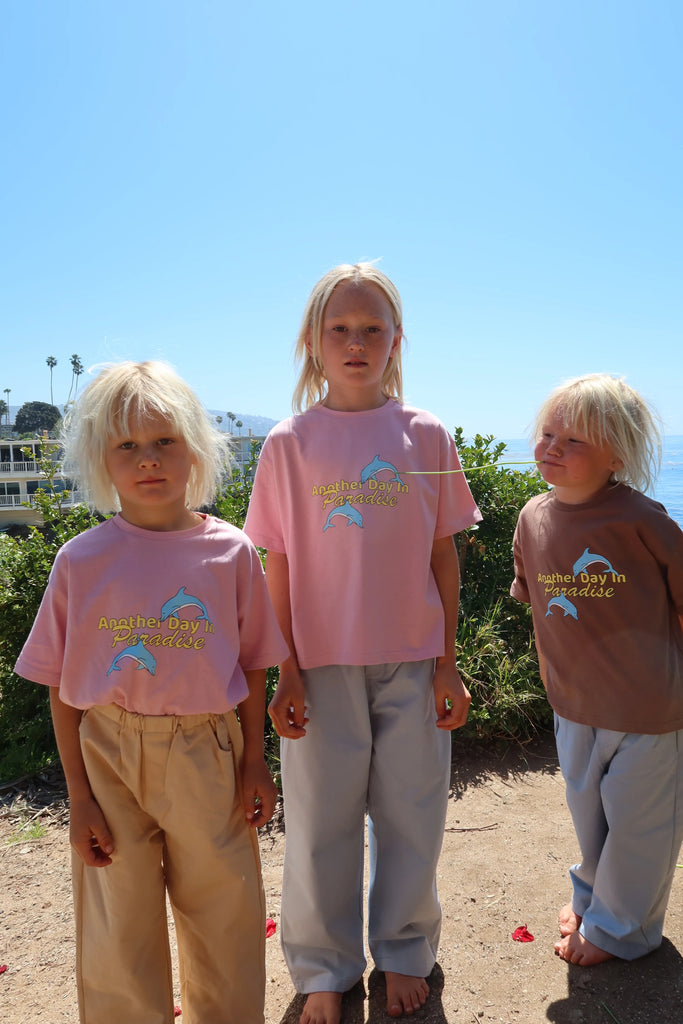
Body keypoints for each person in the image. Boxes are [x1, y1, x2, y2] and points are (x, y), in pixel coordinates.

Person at [14, 361, 288, 1024]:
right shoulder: (80, 561)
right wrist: (78, 796)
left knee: (225, 913)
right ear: (101, 460)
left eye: (164, 441)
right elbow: (62, 690)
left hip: (208, 753)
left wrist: (255, 760)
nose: (148, 461)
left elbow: (254, 667)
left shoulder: (230, 553)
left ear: (193, 446)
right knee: (117, 926)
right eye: (127, 446)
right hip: (108, 755)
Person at [243, 263, 482, 1023]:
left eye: (371, 329)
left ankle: (405, 952)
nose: (355, 342)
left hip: (413, 659)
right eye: (338, 329)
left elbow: (443, 553)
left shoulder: (426, 433)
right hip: (316, 666)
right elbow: (275, 563)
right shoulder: (288, 442)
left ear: (396, 340)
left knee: (414, 815)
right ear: (312, 343)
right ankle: (324, 967)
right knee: (319, 823)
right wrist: (284, 671)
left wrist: (448, 662)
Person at [510, 373, 683, 966]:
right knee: (591, 815)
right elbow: (533, 593)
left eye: (574, 441)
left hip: (647, 708)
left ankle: (620, 929)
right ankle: (592, 897)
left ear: (617, 453)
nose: (552, 447)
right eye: (548, 433)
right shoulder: (532, 517)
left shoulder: (644, 520)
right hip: (573, 703)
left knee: (640, 824)